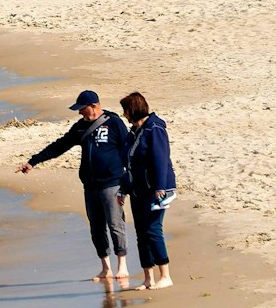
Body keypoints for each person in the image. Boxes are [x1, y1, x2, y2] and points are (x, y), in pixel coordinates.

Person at [19, 90, 133, 285]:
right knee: (96, 228)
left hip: (112, 183)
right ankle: (106, 268)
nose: (80, 113)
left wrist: (128, 178)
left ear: (94, 106)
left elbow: (128, 149)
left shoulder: (114, 122)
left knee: (116, 225)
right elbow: (59, 146)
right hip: (90, 186)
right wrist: (33, 161)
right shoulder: (80, 127)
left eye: (82, 109)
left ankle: (122, 265)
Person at [119, 91, 177, 291]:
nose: (124, 114)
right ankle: (148, 278)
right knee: (141, 233)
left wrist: (160, 187)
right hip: (138, 189)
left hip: (156, 189)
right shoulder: (135, 132)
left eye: (125, 110)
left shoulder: (155, 128)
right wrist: (123, 189)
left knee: (153, 229)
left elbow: (160, 159)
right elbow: (127, 163)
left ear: (133, 109)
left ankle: (165, 276)